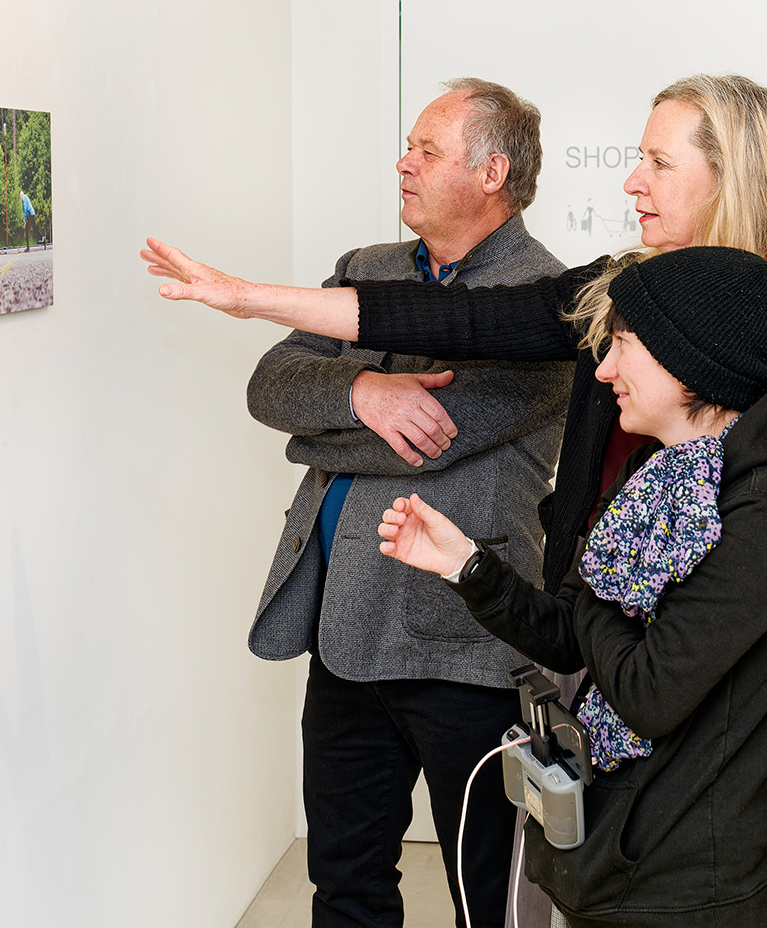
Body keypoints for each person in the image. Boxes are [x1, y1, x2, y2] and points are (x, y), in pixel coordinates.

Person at [143, 73, 767, 927]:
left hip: (705, 682)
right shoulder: (614, 288)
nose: (633, 180)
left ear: (730, 174)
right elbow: (458, 324)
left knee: (698, 880)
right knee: (590, 875)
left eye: (658, 163)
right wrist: (256, 306)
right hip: (590, 643)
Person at [379, 247, 767, 926]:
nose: (603, 369)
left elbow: (649, 693)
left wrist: (595, 591)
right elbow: (569, 637)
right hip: (617, 865)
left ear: (691, 360)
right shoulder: (656, 474)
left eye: (624, 345)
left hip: (687, 895)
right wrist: (467, 565)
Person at [247, 78, 570, 928]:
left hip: (467, 646)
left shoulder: (547, 301)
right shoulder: (366, 270)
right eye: (409, 147)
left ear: (492, 172)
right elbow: (269, 383)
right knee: (345, 886)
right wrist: (363, 392)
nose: (405, 163)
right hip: (344, 635)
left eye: (427, 150)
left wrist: (322, 430)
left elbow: (439, 435)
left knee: (490, 899)